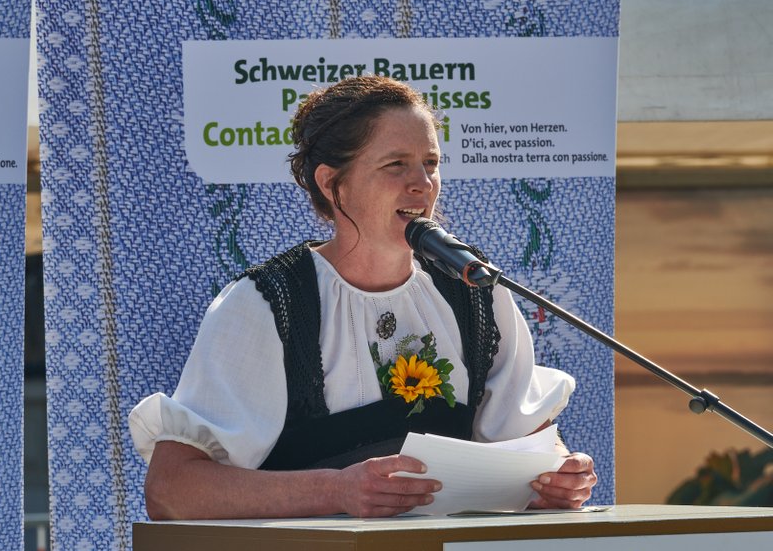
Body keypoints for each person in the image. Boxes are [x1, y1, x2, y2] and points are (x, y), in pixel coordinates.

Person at [130, 76, 596, 519]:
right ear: (333, 184)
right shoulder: (266, 305)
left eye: (430, 164)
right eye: (396, 165)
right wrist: (336, 489)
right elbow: (172, 489)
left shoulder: (473, 291)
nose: (422, 184)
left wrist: (555, 480)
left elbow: (527, 448)